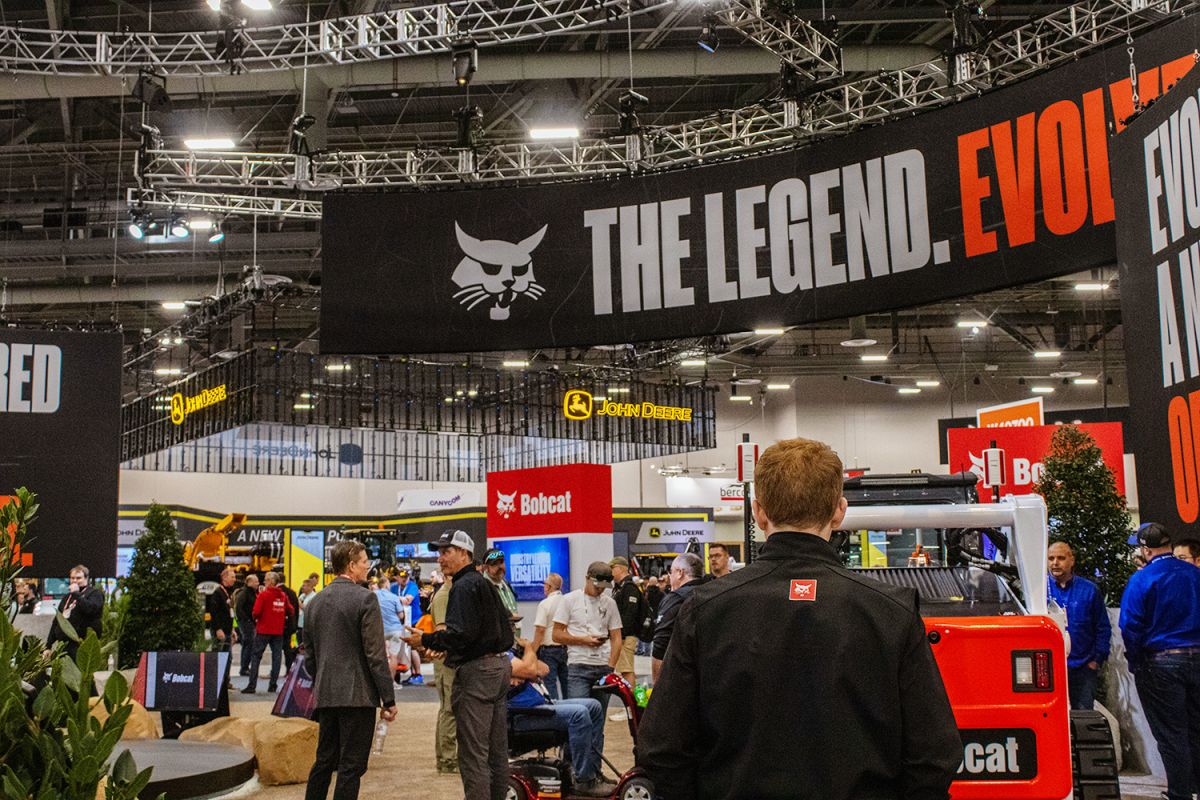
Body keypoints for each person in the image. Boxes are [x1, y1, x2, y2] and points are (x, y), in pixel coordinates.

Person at [638, 437, 961, 800]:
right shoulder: (892, 612)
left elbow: (661, 748)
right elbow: (934, 755)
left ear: (759, 513)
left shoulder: (704, 610)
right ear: (839, 511)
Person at [402, 530, 514, 800]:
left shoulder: (463, 587)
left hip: (478, 674)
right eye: (439, 553)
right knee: (496, 752)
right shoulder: (485, 584)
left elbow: (460, 634)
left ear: (464, 553)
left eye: (446, 552)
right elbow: (505, 632)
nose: (440, 558)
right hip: (498, 668)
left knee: (473, 754)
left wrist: (426, 639)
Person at [303, 540, 397, 800]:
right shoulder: (365, 599)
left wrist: (322, 680)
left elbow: (309, 656)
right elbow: (375, 655)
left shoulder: (314, 602)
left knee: (324, 760)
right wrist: (388, 698)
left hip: (326, 694)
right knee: (351, 766)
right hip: (358, 696)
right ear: (352, 565)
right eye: (365, 562)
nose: (368, 567)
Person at [1119, 522, 1200, 800]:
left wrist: (1136, 661)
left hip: (1161, 662)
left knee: (1172, 735)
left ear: (1146, 549)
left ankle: (1180, 793)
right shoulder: (1194, 574)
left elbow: (1130, 626)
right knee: (1196, 730)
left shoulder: (1142, 579)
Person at [507, 637, 611, 796]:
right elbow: (532, 671)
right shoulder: (503, 656)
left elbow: (544, 669)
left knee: (594, 706)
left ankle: (593, 772)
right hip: (523, 714)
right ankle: (584, 780)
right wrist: (528, 648)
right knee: (579, 714)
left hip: (539, 704)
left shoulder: (513, 654)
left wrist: (527, 663)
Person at [552, 561, 622, 761]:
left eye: (604, 587)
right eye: (597, 586)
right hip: (578, 667)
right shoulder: (569, 600)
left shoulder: (610, 603)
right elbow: (557, 634)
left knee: (598, 724)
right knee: (577, 718)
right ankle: (572, 767)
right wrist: (583, 640)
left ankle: (594, 769)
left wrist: (611, 666)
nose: (600, 590)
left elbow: (617, 636)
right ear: (587, 579)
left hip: (602, 668)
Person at [1046, 541, 1111, 710]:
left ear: (1071, 560)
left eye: (1061, 558)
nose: (1055, 563)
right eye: (1051, 558)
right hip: (1049, 671)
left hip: (1082, 668)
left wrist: (1097, 660)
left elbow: (1102, 627)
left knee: (1083, 716)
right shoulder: (1040, 592)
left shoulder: (1089, 590)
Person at [650, 553, 709, 683]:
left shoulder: (675, 599)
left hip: (681, 675)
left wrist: (657, 686)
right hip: (711, 675)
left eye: (671, 572)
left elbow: (661, 645)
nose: (670, 578)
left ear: (680, 573)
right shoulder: (712, 593)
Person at [243, 572, 294, 694]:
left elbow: (256, 612)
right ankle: (273, 685)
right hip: (278, 631)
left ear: (271, 582)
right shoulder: (283, 596)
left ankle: (252, 685)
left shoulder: (263, 595)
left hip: (263, 630)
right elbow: (291, 610)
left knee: (256, 656)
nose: (264, 582)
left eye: (266, 580)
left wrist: (257, 618)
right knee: (277, 657)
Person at [430, 574, 458, 774]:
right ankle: (448, 760)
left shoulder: (450, 594)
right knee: (449, 710)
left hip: (450, 661)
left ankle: (445, 758)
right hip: (446, 663)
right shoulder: (443, 597)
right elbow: (442, 632)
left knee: (448, 709)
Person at [46, 564, 105, 660]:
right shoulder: (67, 597)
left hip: (81, 644)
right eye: (72, 578)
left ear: (86, 578)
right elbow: (57, 621)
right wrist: (48, 645)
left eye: (78, 578)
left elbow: (90, 609)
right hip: (64, 644)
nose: (74, 581)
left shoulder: (94, 593)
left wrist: (76, 594)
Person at [608, 557, 646, 686]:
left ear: (620, 568)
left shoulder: (629, 587)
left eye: (612, 568)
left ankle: (631, 697)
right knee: (625, 668)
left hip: (625, 636)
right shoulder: (620, 587)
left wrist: (620, 635)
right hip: (621, 635)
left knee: (626, 670)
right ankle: (632, 696)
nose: (610, 572)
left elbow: (630, 615)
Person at [531, 573, 568, 699]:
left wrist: (533, 651)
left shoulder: (544, 604)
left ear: (549, 586)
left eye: (545, 584)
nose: (544, 587)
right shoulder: (567, 602)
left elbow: (540, 630)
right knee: (567, 683)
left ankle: (555, 709)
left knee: (550, 684)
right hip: (566, 649)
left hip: (549, 650)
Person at [373, 574, 407, 683]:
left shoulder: (373, 595)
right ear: (387, 585)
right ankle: (391, 682)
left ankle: (381, 682)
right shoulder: (394, 597)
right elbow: (401, 615)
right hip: (395, 630)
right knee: (393, 656)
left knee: (380, 656)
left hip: (379, 629)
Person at [394, 569, 424, 684]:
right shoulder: (394, 587)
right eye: (401, 577)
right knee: (406, 647)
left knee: (413, 647)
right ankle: (412, 673)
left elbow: (407, 600)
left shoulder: (412, 586)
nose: (404, 579)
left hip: (413, 620)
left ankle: (418, 674)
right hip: (400, 621)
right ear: (397, 577)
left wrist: (392, 598)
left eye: (406, 577)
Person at [482, 548, 520, 627]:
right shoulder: (483, 587)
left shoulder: (506, 583)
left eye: (501, 562)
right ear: (486, 568)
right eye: (494, 564)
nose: (500, 567)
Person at [233, 573, 259, 677]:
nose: (258, 583)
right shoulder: (244, 593)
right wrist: (247, 620)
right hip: (246, 623)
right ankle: (244, 668)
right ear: (249, 582)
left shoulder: (252, 592)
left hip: (249, 622)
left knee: (248, 644)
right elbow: (238, 608)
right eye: (256, 581)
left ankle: (245, 667)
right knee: (249, 644)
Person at [206, 567, 237, 652]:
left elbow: (230, 612)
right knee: (219, 656)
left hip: (228, 630)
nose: (234, 579)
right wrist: (218, 629)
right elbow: (213, 612)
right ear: (224, 578)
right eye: (232, 577)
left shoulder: (230, 592)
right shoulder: (218, 593)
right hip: (220, 631)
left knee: (228, 657)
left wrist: (232, 629)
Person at [280, 577, 301, 671]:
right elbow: (296, 610)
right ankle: (290, 668)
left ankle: (280, 670)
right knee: (290, 647)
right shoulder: (292, 593)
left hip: (282, 625)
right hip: (292, 625)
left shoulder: (280, 593)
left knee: (279, 649)